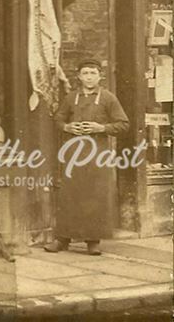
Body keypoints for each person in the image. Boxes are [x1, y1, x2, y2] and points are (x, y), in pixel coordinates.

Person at [45, 58, 129, 256]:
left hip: (97, 154)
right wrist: (67, 127)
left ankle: (93, 241)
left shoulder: (108, 98)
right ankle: (62, 239)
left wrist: (102, 127)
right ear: (79, 77)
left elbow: (123, 124)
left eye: (93, 73)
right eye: (85, 73)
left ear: (100, 76)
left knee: (94, 196)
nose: (89, 77)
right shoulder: (71, 97)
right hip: (73, 153)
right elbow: (58, 118)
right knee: (69, 195)